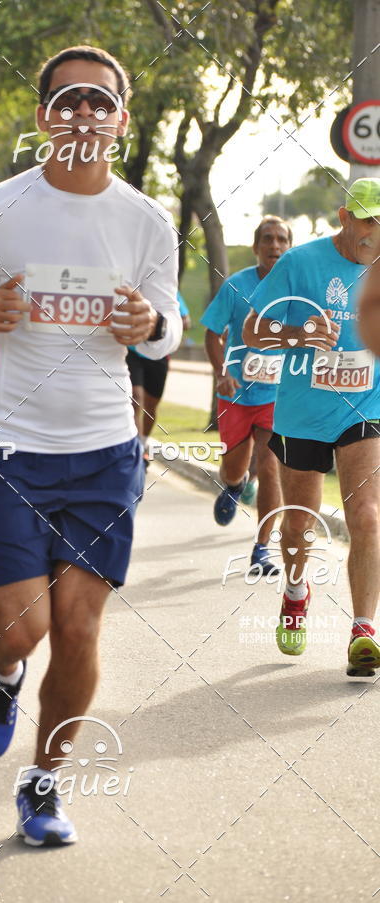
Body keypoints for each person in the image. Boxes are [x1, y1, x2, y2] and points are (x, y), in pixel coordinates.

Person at [0, 45, 181, 846]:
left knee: (76, 629)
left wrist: (150, 327)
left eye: (99, 101)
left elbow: (169, 318)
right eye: (67, 99)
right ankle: (3, 673)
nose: (83, 113)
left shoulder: (147, 220)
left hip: (106, 452)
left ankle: (43, 785)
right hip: (13, 450)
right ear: (43, 116)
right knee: (22, 628)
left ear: (120, 119)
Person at [243, 178, 380, 674]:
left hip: (364, 409)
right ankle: (296, 592)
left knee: (366, 514)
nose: (374, 231)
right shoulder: (301, 263)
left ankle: (363, 630)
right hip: (302, 413)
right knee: (299, 520)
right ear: (344, 217)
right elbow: (252, 330)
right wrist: (297, 334)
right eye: (366, 219)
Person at [201, 216, 291, 574]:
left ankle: (261, 548)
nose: (274, 246)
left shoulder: (296, 290)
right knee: (234, 467)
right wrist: (222, 373)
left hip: (277, 397)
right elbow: (212, 333)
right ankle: (235, 485)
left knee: (271, 467)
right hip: (237, 395)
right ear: (256, 247)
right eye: (267, 239)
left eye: (282, 239)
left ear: (288, 247)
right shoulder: (237, 286)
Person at [127, 289, 187, 459]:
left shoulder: (164, 289)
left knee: (151, 406)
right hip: (133, 351)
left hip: (159, 355)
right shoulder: (131, 288)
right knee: (135, 398)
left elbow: (185, 320)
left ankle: (144, 441)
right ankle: (137, 449)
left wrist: (160, 324)